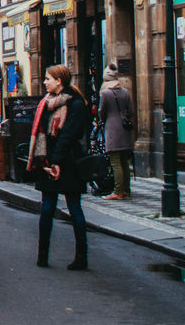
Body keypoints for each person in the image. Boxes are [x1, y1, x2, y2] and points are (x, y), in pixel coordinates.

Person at [28, 63, 91, 270]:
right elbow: (41, 134)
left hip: (69, 162)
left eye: (48, 79)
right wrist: (44, 162)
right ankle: (42, 255)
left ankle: (81, 257)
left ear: (59, 81)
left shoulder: (76, 104)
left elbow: (68, 136)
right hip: (48, 161)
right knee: (46, 208)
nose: (44, 82)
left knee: (74, 208)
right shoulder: (46, 103)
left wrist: (56, 162)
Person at [97, 63, 135, 201]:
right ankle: (126, 190)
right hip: (124, 130)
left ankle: (118, 191)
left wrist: (103, 120)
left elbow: (102, 112)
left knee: (115, 162)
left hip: (112, 129)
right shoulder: (125, 92)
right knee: (124, 161)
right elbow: (130, 112)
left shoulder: (106, 93)